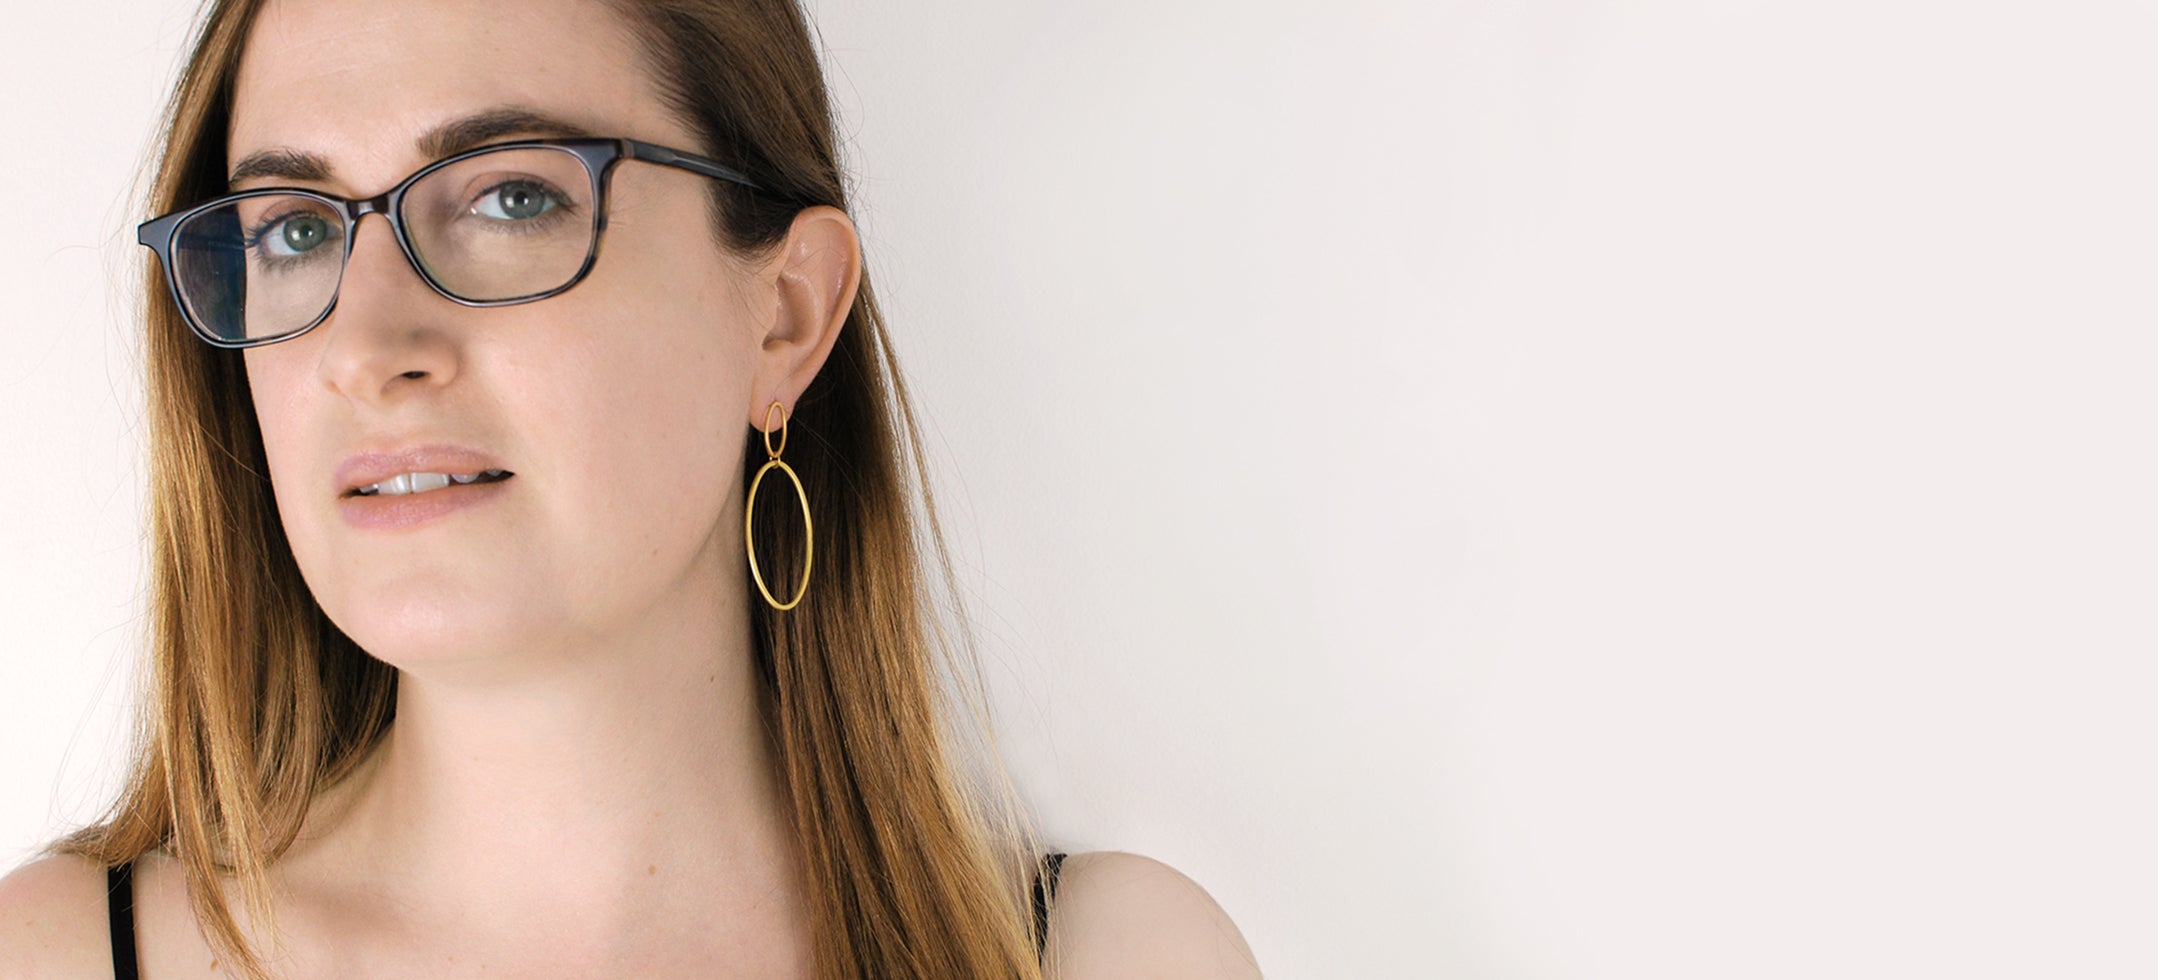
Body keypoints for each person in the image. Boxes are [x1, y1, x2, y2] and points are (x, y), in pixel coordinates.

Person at [0, 0, 1262, 976]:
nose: (364, 348)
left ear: (785, 315)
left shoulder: (1112, 957)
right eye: (291, 228)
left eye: (510, 196)